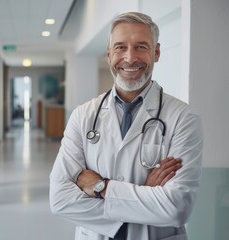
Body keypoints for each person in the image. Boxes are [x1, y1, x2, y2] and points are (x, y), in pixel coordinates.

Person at [49, 12, 203, 240]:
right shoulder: (83, 116)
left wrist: (102, 187)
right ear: (109, 54)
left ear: (156, 52)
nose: (130, 58)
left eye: (141, 46)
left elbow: (177, 207)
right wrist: (147, 196)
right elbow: (60, 199)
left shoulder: (183, 118)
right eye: (120, 47)